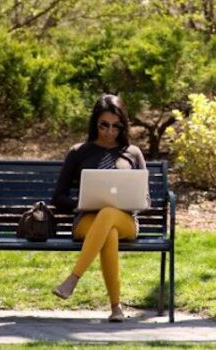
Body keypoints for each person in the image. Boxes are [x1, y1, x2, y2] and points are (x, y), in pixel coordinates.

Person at [51, 94, 148, 323]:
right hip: (86, 221)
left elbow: (146, 199)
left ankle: (73, 279)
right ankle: (116, 307)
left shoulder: (133, 153)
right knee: (108, 230)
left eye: (116, 126)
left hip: (125, 220)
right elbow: (58, 197)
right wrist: (82, 202)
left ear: (123, 125)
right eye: (104, 124)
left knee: (109, 215)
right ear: (95, 122)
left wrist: (131, 201)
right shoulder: (79, 152)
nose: (110, 131)